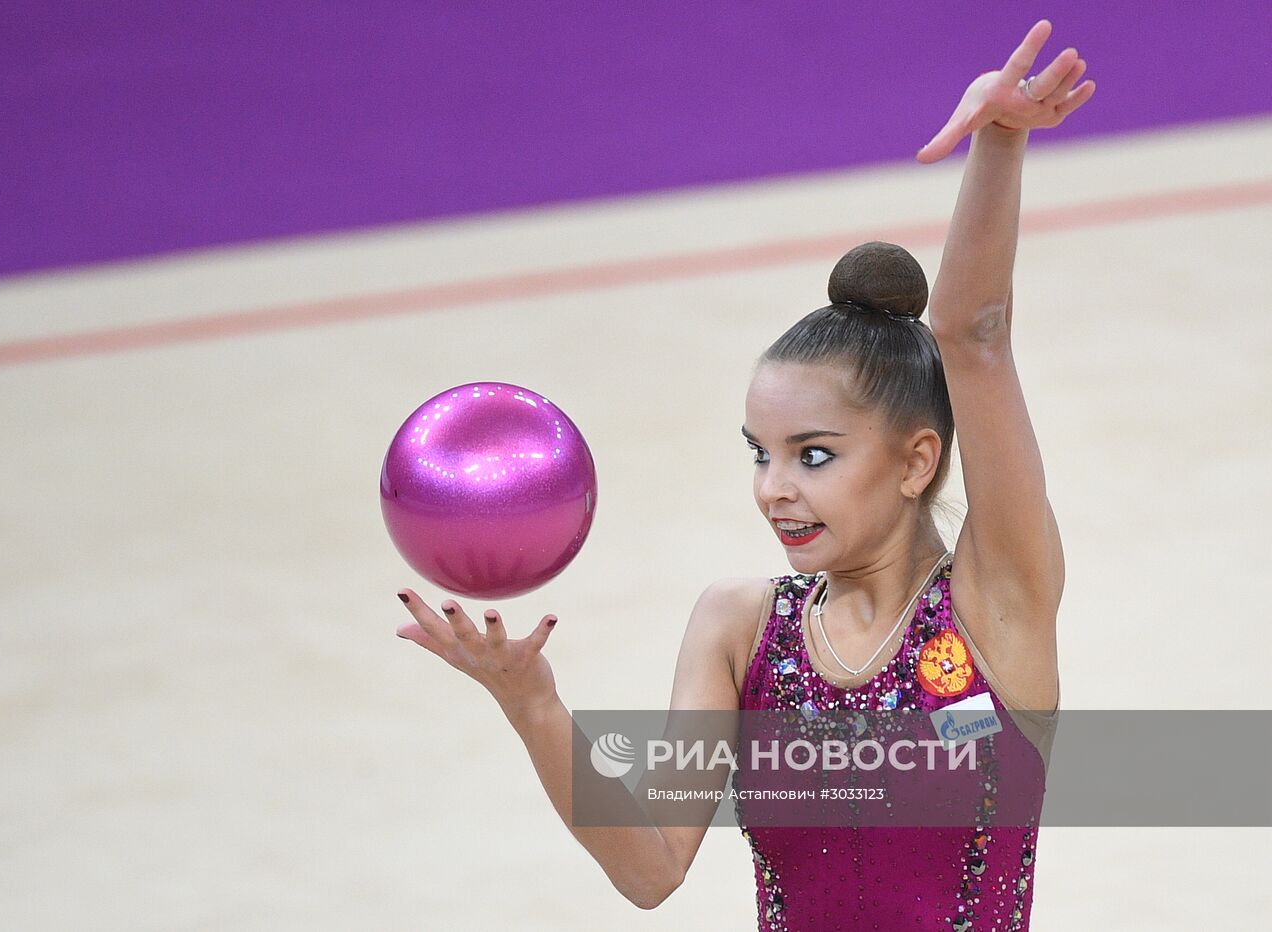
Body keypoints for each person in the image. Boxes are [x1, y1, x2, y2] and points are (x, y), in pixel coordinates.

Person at [394, 19, 1093, 930]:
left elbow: (975, 338)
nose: (774, 488)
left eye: (814, 456)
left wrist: (1000, 143)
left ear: (918, 461)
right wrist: (534, 704)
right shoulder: (740, 628)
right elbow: (650, 869)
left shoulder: (996, 601)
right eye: (760, 454)